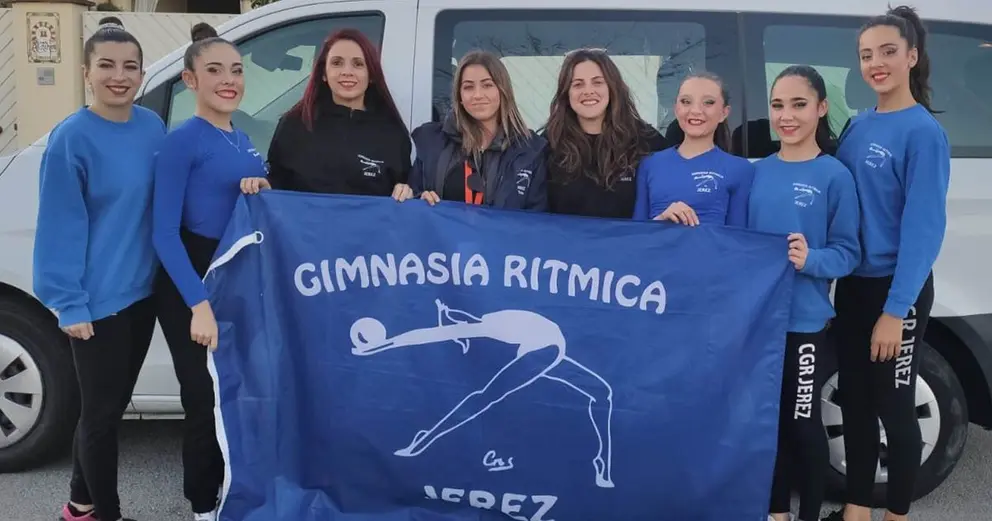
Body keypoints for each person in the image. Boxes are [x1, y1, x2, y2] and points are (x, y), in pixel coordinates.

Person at [32, 19, 165, 521]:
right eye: (106, 65)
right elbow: (59, 226)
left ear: (142, 74)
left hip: (142, 294)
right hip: (95, 302)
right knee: (102, 417)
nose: (119, 76)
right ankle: (107, 514)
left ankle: (78, 505)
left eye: (130, 66)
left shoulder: (151, 127)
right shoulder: (71, 138)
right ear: (87, 72)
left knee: (109, 407)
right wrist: (68, 303)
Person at [824, 6, 950, 521]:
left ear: (912, 57)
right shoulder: (858, 124)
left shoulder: (923, 133)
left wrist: (896, 311)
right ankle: (855, 510)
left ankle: (896, 514)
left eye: (888, 52)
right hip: (854, 285)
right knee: (854, 400)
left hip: (897, 290)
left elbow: (924, 230)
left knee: (895, 408)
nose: (875, 64)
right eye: (866, 55)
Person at [151, 23, 269, 521]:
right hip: (192, 280)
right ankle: (202, 506)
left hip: (234, 278)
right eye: (215, 70)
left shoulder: (244, 139)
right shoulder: (182, 141)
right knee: (202, 397)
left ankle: (231, 491)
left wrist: (262, 190)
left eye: (236, 71)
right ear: (190, 80)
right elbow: (163, 234)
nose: (228, 80)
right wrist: (198, 304)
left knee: (237, 392)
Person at [746, 65, 861, 521]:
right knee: (768, 422)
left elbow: (848, 253)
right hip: (758, 325)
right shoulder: (756, 172)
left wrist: (810, 259)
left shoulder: (834, 176)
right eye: (778, 105)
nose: (786, 116)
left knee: (801, 421)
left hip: (804, 323)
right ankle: (777, 512)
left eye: (799, 104)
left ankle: (809, 514)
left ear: (821, 108)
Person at [267, 28, 413, 200]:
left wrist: (407, 192)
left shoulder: (392, 133)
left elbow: (405, 190)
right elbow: (276, 185)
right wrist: (264, 185)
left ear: (372, 75)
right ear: (323, 73)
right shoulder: (294, 125)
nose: (347, 72)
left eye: (358, 64)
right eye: (337, 63)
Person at [408, 50, 548, 210]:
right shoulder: (432, 143)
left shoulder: (530, 150)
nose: (477, 95)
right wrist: (418, 199)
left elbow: (538, 217)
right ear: (459, 96)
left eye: (487, 85)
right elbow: (413, 198)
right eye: (468, 87)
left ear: (503, 91)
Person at [543, 48, 669, 218]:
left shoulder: (646, 141)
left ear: (612, 87)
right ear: (566, 93)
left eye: (597, 82)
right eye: (578, 84)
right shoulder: (548, 145)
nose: (588, 91)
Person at [632, 72, 753, 226]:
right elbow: (637, 232)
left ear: (724, 113)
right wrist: (661, 219)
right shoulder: (650, 164)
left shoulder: (740, 169)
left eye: (708, 102)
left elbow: (738, 235)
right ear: (676, 109)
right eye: (686, 101)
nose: (695, 110)